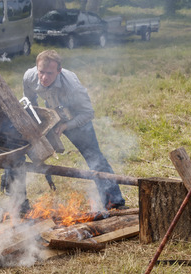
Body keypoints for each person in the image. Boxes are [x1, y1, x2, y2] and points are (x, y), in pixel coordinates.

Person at [19, 49, 125, 210]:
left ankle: (114, 200)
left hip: (76, 118)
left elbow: (88, 113)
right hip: (52, 114)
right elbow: (29, 101)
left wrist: (66, 126)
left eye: (49, 73)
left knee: (94, 157)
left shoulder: (72, 86)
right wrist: (40, 121)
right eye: (41, 72)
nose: (44, 77)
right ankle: (19, 203)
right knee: (21, 149)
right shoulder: (29, 77)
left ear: (59, 71)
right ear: (36, 68)